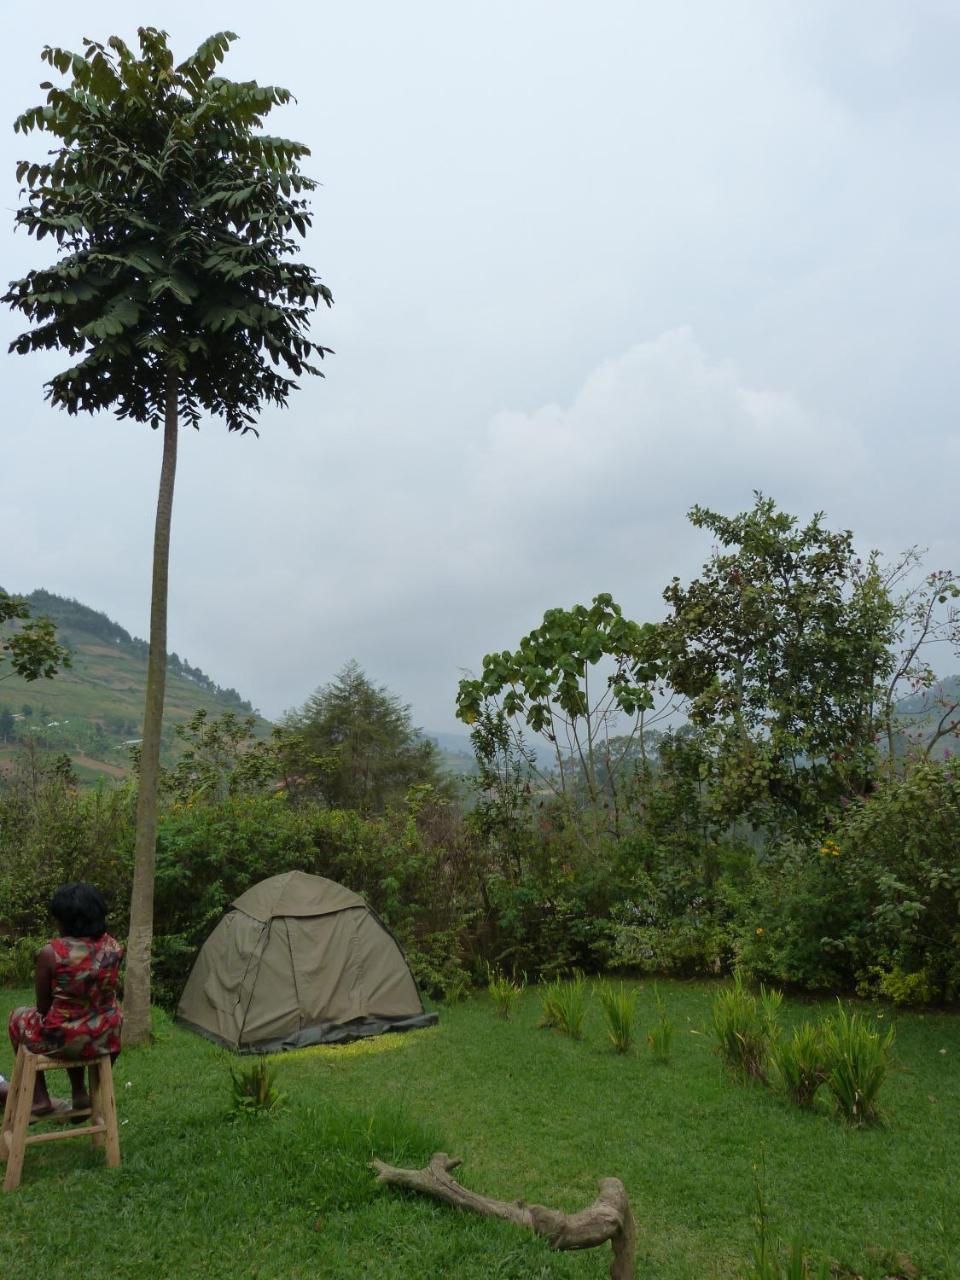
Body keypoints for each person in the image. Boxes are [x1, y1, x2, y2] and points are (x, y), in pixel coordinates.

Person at [0, 883, 123, 1117]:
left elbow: (43, 1008)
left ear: (68, 921)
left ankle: (39, 1099)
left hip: (64, 1040)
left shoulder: (51, 953)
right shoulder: (114, 948)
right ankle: (79, 1093)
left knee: (18, 1017)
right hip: (105, 1037)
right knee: (78, 1019)